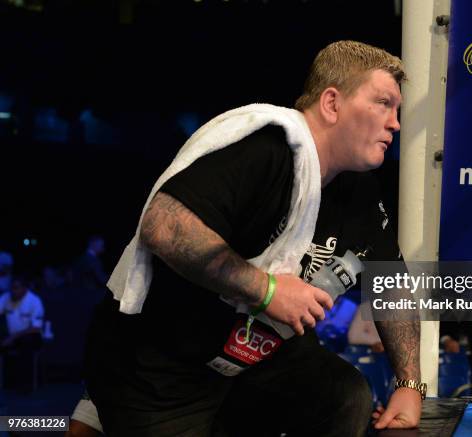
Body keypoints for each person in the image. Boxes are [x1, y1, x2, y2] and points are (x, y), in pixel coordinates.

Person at [84, 40, 423, 436]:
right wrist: (266, 290)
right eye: (383, 103)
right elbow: (164, 225)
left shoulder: (359, 191)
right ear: (332, 103)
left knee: (343, 394)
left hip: (252, 360)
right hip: (160, 371)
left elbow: (392, 284)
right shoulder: (269, 146)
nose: (395, 122)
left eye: (397, 109)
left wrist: (409, 383)